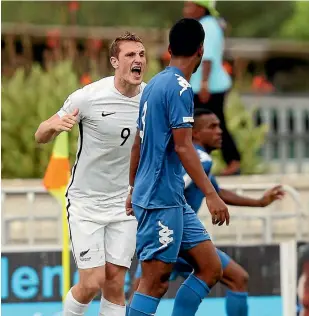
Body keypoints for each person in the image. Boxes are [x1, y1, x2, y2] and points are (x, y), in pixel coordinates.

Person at [131, 108, 285, 315]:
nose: (219, 131)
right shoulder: (200, 158)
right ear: (194, 133)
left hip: (169, 230)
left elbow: (217, 191)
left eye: (219, 126)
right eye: (212, 127)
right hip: (170, 230)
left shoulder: (195, 160)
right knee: (235, 278)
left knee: (143, 291)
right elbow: (176, 184)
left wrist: (259, 202)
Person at [35, 32, 147, 316]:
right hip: (86, 202)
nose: (138, 60)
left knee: (115, 282)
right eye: (130, 55)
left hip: (124, 203)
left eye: (141, 55)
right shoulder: (88, 97)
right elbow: (40, 134)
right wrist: (54, 127)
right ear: (114, 61)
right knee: (92, 282)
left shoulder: (150, 98)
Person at [125, 18, 230, 316]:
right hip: (160, 199)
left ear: (170, 49)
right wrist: (211, 194)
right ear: (201, 50)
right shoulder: (181, 89)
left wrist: (133, 187)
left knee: (210, 267)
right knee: (154, 282)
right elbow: (184, 146)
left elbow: (138, 142)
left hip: (170, 197)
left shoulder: (154, 84)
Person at [183, 0, 241, 176]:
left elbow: (207, 58)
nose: (185, 9)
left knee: (213, 123)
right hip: (201, 85)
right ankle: (212, 161)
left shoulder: (207, 26)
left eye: (189, 6)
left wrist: (204, 84)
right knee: (198, 123)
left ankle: (233, 161)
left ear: (201, 8)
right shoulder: (203, 25)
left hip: (209, 87)